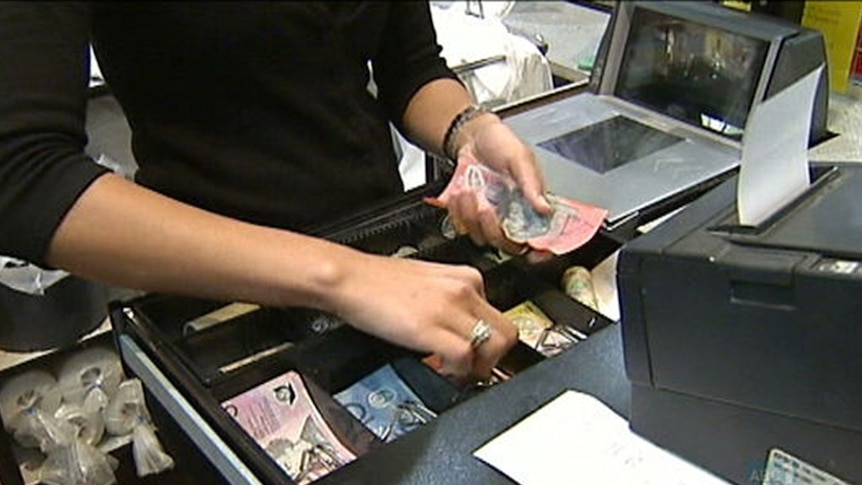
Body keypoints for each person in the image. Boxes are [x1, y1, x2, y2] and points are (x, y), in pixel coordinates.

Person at [0, 2, 552, 380]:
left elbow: (410, 66)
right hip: (226, 298)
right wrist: (344, 278)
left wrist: (469, 130)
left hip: (388, 257)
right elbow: (24, 176)